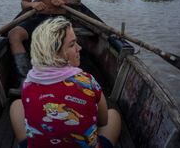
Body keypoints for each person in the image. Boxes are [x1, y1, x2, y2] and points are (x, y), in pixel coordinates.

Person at [10, 17, 121, 148]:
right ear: (55, 54)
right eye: (72, 44)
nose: (79, 48)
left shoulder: (28, 82)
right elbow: (103, 121)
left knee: (16, 105)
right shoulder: (88, 81)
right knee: (113, 115)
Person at [8, 0, 81, 84]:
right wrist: (32, 5)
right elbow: (24, 3)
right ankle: (25, 78)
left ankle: (66, 76)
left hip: (60, 19)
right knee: (14, 35)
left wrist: (64, 2)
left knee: (57, 40)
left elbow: (77, 1)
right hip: (39, 18)